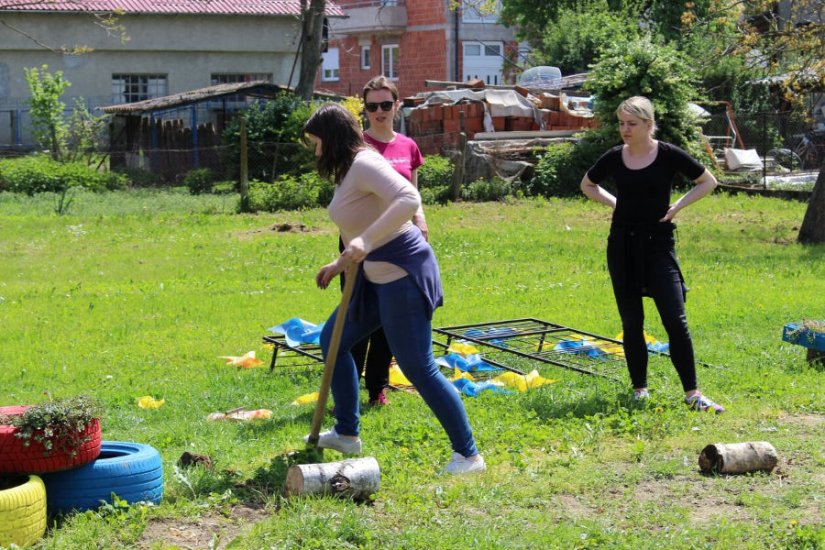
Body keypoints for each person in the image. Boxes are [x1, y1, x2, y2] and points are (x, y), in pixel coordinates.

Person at [303, 103, 485, 474]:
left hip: (403, 275)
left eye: (317, 142)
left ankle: (468, 455)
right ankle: (347, 432)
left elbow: (409, 199)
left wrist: (365, 242)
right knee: (333, 341)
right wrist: (341, 261)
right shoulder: (347, 170)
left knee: (419, 367)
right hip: (372, 278)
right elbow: (359, 222)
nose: (316, 151)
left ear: (332, 138)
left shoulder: (365, 163)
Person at [580, 96, 724, 413]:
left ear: (648, 124)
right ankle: (639, 389)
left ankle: (693, 394)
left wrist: (677, 207)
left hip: (658, 246)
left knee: (676, 319)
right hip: (622, 246)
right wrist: (616, 203)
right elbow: (588, 185)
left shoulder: (668, 154)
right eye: (621, 123)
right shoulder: (615, 157)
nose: (625, 129)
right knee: (632, 322)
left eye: (632, 123)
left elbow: (707, 181)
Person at [340, 76, 427, 407]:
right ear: (365, 109)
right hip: (359, 243)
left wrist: (421, 223)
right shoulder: (355, 146)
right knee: (355, 317)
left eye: (385, 105)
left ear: (397, 105)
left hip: (396, 246)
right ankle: (346, 393)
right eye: (372, 106)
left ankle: (377, 388)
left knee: (387, 320)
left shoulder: (408, 146)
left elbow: (413, 195)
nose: (379, 111)